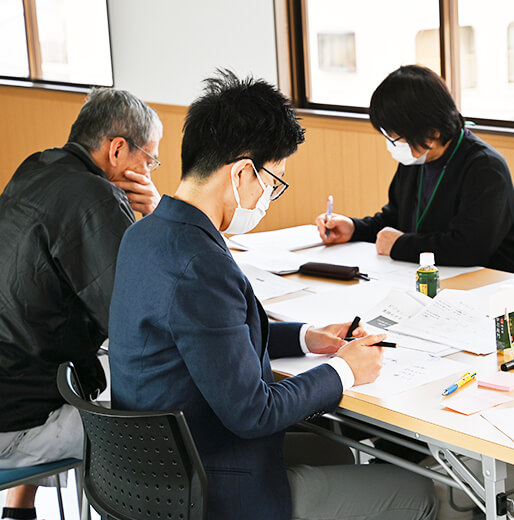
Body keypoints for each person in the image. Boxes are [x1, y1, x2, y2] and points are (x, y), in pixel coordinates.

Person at [108, 70, 438, 520]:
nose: (269, 197)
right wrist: (346, 369)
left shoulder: (145, 235)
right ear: (243, 171)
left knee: (335, 452)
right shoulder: (201, 264)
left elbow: (209, 340)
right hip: (211, 490)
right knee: (420, 493)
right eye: (273, 181)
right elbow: (254, 413)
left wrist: (307, 337)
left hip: (156, 468)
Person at [0, 89, 162, 520]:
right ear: (117, 149)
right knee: (163, 428)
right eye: (150, 160)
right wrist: (156, 215)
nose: (149, 173)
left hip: (10, 384)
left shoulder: (36, 166)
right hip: (15, 426)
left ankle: (19, 507)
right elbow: (139, 319)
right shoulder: (97, 197)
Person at [315, 65, 514, 272]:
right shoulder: (416, 159)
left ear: (433, 132)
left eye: (395, 138)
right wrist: (354, 228)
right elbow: (394, 220)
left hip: (491, 281)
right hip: (431, 274)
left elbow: (469, 249)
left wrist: (400, 246)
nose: (392, 145)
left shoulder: (485, 168)